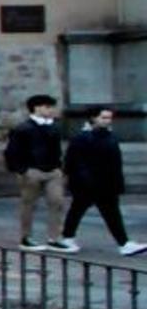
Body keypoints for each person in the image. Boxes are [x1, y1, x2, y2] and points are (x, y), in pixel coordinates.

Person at [61, 108, 147, 255]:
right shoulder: (82, 138)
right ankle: (67, 237)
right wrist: (84, 180)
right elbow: (73, 162)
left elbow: (115, 162)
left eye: (109, 118)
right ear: (94, 118)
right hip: (87, 184)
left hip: (107, 183)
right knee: (78, 210)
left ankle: (123, 243)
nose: (107, 121)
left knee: (111, 213)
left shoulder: (109, 136)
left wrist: (118, 182)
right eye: (104, 118)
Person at [6, 93, 78, 251]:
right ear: (36, 108)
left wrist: (59, 168)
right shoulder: (23, 128)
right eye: (47, 107)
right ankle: (26, 237)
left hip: (52, 170)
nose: (51, 110)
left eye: (51, 107)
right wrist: (22, 170)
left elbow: (57, 149)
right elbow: (12, 152)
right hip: (32, 170)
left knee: (57, 202)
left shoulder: (53, 127)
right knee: (29, 204)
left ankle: (54, 237)